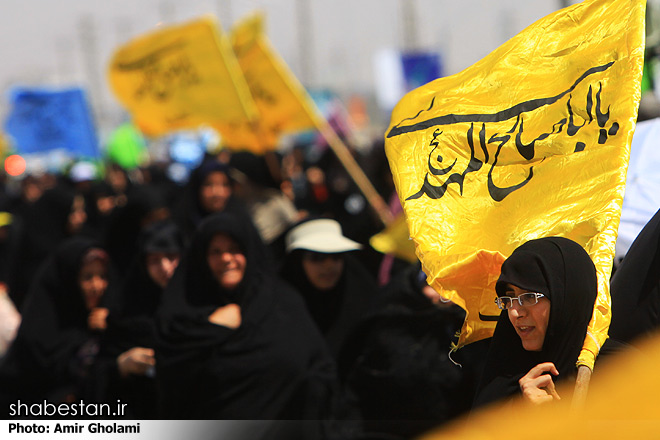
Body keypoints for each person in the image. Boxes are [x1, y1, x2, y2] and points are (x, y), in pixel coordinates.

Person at [155, 212, 340, 421]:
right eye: (215, 252)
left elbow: (318, 367)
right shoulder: (183, 314)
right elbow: (172, 381)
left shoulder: (283, 304)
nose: (226, 259)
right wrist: (211, 329)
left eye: (235, 250)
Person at [472, 237, 599, 408]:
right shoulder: (501, 379)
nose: (515, 312)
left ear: (567, 299)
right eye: (509, 298)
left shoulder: (622, 372)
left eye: (530, 297)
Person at [0, 237, 115, 414]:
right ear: (67, 280)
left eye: (102, 276)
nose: (97, 286)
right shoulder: (38, 335)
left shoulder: (108, 319)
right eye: (87, 277)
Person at [98, 219, 184, 418]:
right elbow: (100, 371)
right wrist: (122, 365)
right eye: (154, 260)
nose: (164, 267)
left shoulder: (204, 305)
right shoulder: (128, 310)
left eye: (171, 257)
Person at [280, 218, 378, 362]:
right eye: (317, 257)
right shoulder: (279, 312)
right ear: (297, 262)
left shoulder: (363, 296)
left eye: (336, 256)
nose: (329, 266)